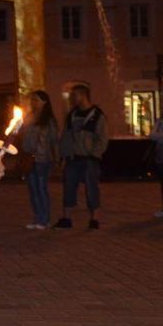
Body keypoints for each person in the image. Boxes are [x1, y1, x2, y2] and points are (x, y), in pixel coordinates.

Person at [54, 84, 107, 231]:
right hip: (73, 157)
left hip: (89, 158)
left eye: (74, 95)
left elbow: (102, 138)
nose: (72, 98)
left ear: (83, 95)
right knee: (69, 187)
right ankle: (66, 218)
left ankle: (94, 219)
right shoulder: (72, 114)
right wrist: (63, 155)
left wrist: (95, 155)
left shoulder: (97, 115)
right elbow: (66, 136)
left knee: (91, 188)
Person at [17, 91, 58, 230]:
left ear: (44, 102)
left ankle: (44, 219)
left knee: (41, 188)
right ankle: (37, 218)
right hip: (29, 157)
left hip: (43, 158)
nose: (33, 102)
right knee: (33, 189)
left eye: (36, 100)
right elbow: (22, 136)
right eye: (32, 100)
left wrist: (56, 158)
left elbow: (54, 140)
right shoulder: (29, 117)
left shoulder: (49, 120)